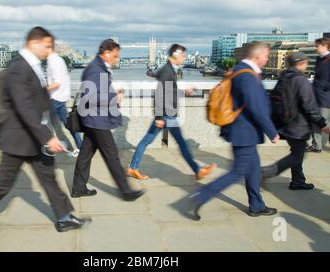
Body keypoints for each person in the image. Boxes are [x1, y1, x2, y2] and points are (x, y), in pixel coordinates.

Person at [0, 27, 90, 242]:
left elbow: (38, 101)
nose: (50, 50)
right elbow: (23, 107)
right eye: (47, 45)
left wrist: (47, 131)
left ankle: (64, 217)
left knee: (48, 178)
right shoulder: (18, 67)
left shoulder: (32, 66)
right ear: (34, 43)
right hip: (17, 138)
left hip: (33, 136)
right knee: (2, 184)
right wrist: (48, 136)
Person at [193, 41, 279, 220]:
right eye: (266, 56)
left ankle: (256, 205)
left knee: (254, 169)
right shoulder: (247, 76)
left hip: (244, 131)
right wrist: (272, 132)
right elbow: (256, 107)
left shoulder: (240, 70)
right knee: (238, 172)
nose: (267, 58)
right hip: (244, 132)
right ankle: (201, 195)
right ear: (257, 56)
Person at [127, 44, 216, 181]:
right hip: (166, 114)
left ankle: (133, 167)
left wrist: (183, 92)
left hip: (167, 113)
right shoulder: (167, 71)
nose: (184, 58)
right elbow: (159, 94)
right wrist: (159, 117)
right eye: (183, 55)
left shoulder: (169, 70)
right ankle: (197, 170)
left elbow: (169, 91)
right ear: (175, 55)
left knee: (150, 140)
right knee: (176, 142)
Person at [71, 39, 145, 201]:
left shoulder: (98, 67)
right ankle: (126, 191)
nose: (116, 59)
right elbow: (90, 96)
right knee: (112, 156)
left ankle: (78, 188)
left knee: (85, 155)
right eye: (115, 55)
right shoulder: (95, 70)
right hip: (97, 120)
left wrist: (111, 92)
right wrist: (114, 97)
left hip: (93, 119)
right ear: (106, 53)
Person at [262, 52, 330, 190]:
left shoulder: (284, 77)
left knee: (297, 152)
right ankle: (266, 172)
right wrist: (322, 124)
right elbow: (310, 106)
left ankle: (298, 181)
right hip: (298, 125)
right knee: (297, 156)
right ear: (302, 63)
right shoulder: (301, 80)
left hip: (285, 123)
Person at [46, 46, 83, 157]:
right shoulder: (59, 60)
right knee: (68, 124)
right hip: (60, 98)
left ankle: (47, 148)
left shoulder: (53, 62)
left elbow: (57, 82)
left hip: (54, 98)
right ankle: (80, 147)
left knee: (43, 123)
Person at [306, 37, 330, 153]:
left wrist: (324, 89)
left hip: (325, 97)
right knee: (316, 120)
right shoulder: (319, 60)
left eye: (317, 46)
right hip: (316, 95)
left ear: (325, 46)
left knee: (323, 122)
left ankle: (318, 145)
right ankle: (317, 145)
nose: (316, 48)